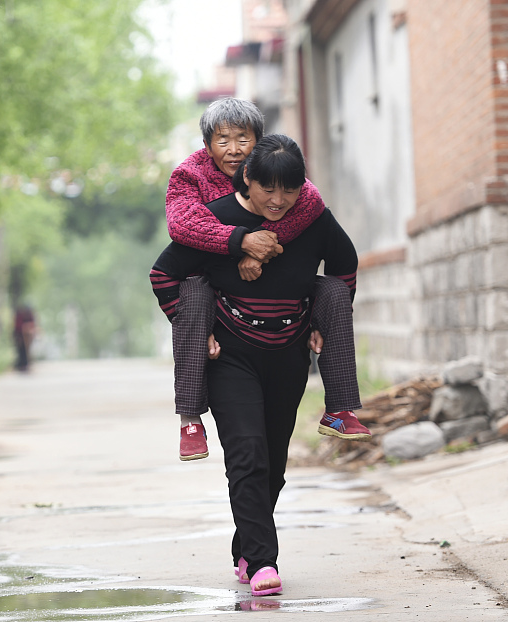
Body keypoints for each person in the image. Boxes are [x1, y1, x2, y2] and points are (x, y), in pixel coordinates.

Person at [150, 135, 357, 595]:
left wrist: (326, 322)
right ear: (248, 179)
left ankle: (247, 543)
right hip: (232, 354)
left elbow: (344, 266)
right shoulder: (219, 222)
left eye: (290, 190)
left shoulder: (313, 219)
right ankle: (263, 564)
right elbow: (164, 275)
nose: (279, 201)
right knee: (246, 455)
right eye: (269, 190)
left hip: (288, 354)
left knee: (274, 464)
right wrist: (193, 329)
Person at [165, 98, 367, 462]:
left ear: (259, 139)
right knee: (192, 294)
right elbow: (181, 226)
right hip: (212, 286)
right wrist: (241, 244)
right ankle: (190, 420)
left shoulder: (282, 175)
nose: (233, 148)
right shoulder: (189, 176)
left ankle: (340, 409)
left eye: (243, 137)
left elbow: (306, 210)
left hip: (283, 294)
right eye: (222, 139)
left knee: (334, 290)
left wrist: (264, 248)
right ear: (207, 143)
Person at [12, 304, 36, 372]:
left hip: (27, 336)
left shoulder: (30, 315)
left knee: (26, 350)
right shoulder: (20, 315)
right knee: (20, 350)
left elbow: (32, 325)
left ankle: (25, 364)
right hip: (19, 335)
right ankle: (21, 364)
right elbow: (17, 327)